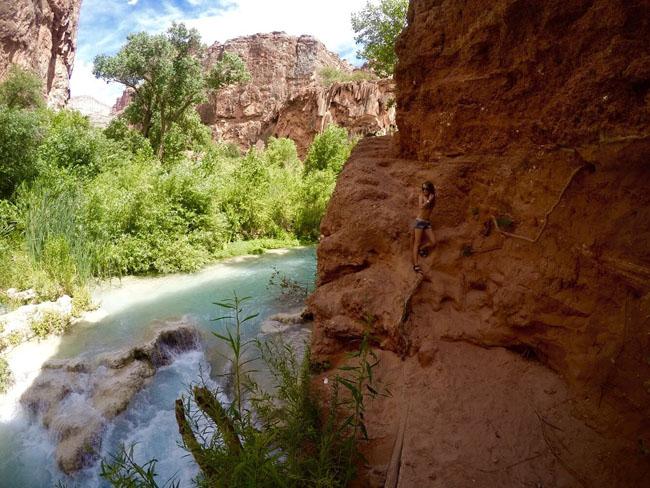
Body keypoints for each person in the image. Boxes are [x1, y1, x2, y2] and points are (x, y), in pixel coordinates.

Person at [412, 181, 436, 273]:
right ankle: (416, 265)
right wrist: (428, 200)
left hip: (427, 222)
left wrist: (431, 198)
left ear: (430, 189)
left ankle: (422, 249)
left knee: (434, 242)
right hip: (419, 221)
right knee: (416, 243)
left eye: (426, 188)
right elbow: (421, 207)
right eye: (423, 188)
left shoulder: (433, 198)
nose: (424, 190)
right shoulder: (421, 196)